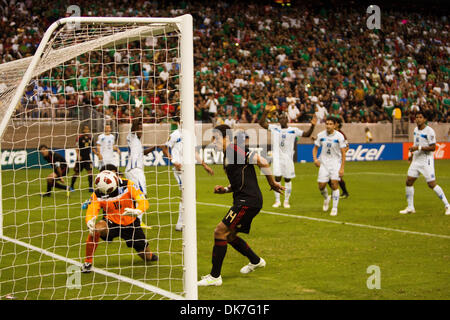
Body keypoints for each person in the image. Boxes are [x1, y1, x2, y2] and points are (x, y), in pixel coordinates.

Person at [197, 124, 284, 287]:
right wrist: (225, 189)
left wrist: (272, 183)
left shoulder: (234, 150)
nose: (213, 142)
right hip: (244, 199)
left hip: (248, 200)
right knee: (228, 236)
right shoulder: (227, 155)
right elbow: (237, 182)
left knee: (220, 231)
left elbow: (262, 161)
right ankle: (256, 261)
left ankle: (215, 276)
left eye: (216, 138)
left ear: (226, 138)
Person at [80, 170, 157, 273]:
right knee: (95, 230)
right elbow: (92, 210)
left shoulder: (129, 184)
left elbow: (143, 201)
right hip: (112, 222)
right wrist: (89, 220)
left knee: (147, 257)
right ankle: (88, 262)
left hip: (131, 223)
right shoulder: (97, 193)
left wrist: (138, 210)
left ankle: (149, 255)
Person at [160, 118, 214, 231]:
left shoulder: (191, 136)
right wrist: (174, 161)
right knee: (186, 194)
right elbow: (164, 148)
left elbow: (194, 152)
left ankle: (186, 221)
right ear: (180, 122)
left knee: (192, 195)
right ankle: (180, 224)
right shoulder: (175, 134)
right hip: (180, 169)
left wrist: (204, 165)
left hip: (189, 168)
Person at [259, 106, 316, 208]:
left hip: (288, 159)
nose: (282, 119)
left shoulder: (293, 130)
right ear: (278, 120)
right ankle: (277, 201)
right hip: (277, 158)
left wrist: (312, 126)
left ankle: (286, 201)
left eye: (284, 118)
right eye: (280, 118)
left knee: (288, 179)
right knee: (276, 179)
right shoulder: (274, 128)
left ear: (287, 120)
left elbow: (307, 134)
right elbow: (261, 123)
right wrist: (266, 112)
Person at [400, 111, 450, 215]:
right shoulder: (415, 130)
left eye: (420, 117)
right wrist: (411, 154)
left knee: (431, 184)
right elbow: (416, 143)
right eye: (416, 117)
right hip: (416, 160)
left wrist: (418, 148)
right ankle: (410, 207)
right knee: (409, 181)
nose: (417, 119)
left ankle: (447, 205)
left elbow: (433, 147)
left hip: (426, 160)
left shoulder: (429, 131)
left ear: (425, 119)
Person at [312, 116, 347, 216]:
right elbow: (315, 148)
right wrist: (315, 159)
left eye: (330, 124)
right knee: (321, 186)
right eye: (327, 123)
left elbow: (343, 153)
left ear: (335, 125)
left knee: (334, 184)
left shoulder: (339, 136)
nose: (328, 126)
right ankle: (327, 198)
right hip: (324, 163)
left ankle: (334, 208)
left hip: (335, 163)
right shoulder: (320, 135)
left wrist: (342, 168)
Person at [70, 124, 94, 192]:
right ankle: (71, 186)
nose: (86, 130)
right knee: (76, 173)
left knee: (90, 172)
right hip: (80, 158)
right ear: (83, 130)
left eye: (87, 129)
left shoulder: (90, 138)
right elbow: (77, 148)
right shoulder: (79, 138)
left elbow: (92, 147)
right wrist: (78, 156)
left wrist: (97, 153)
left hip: (88, 158)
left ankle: (90, 187)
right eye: (85, 129)